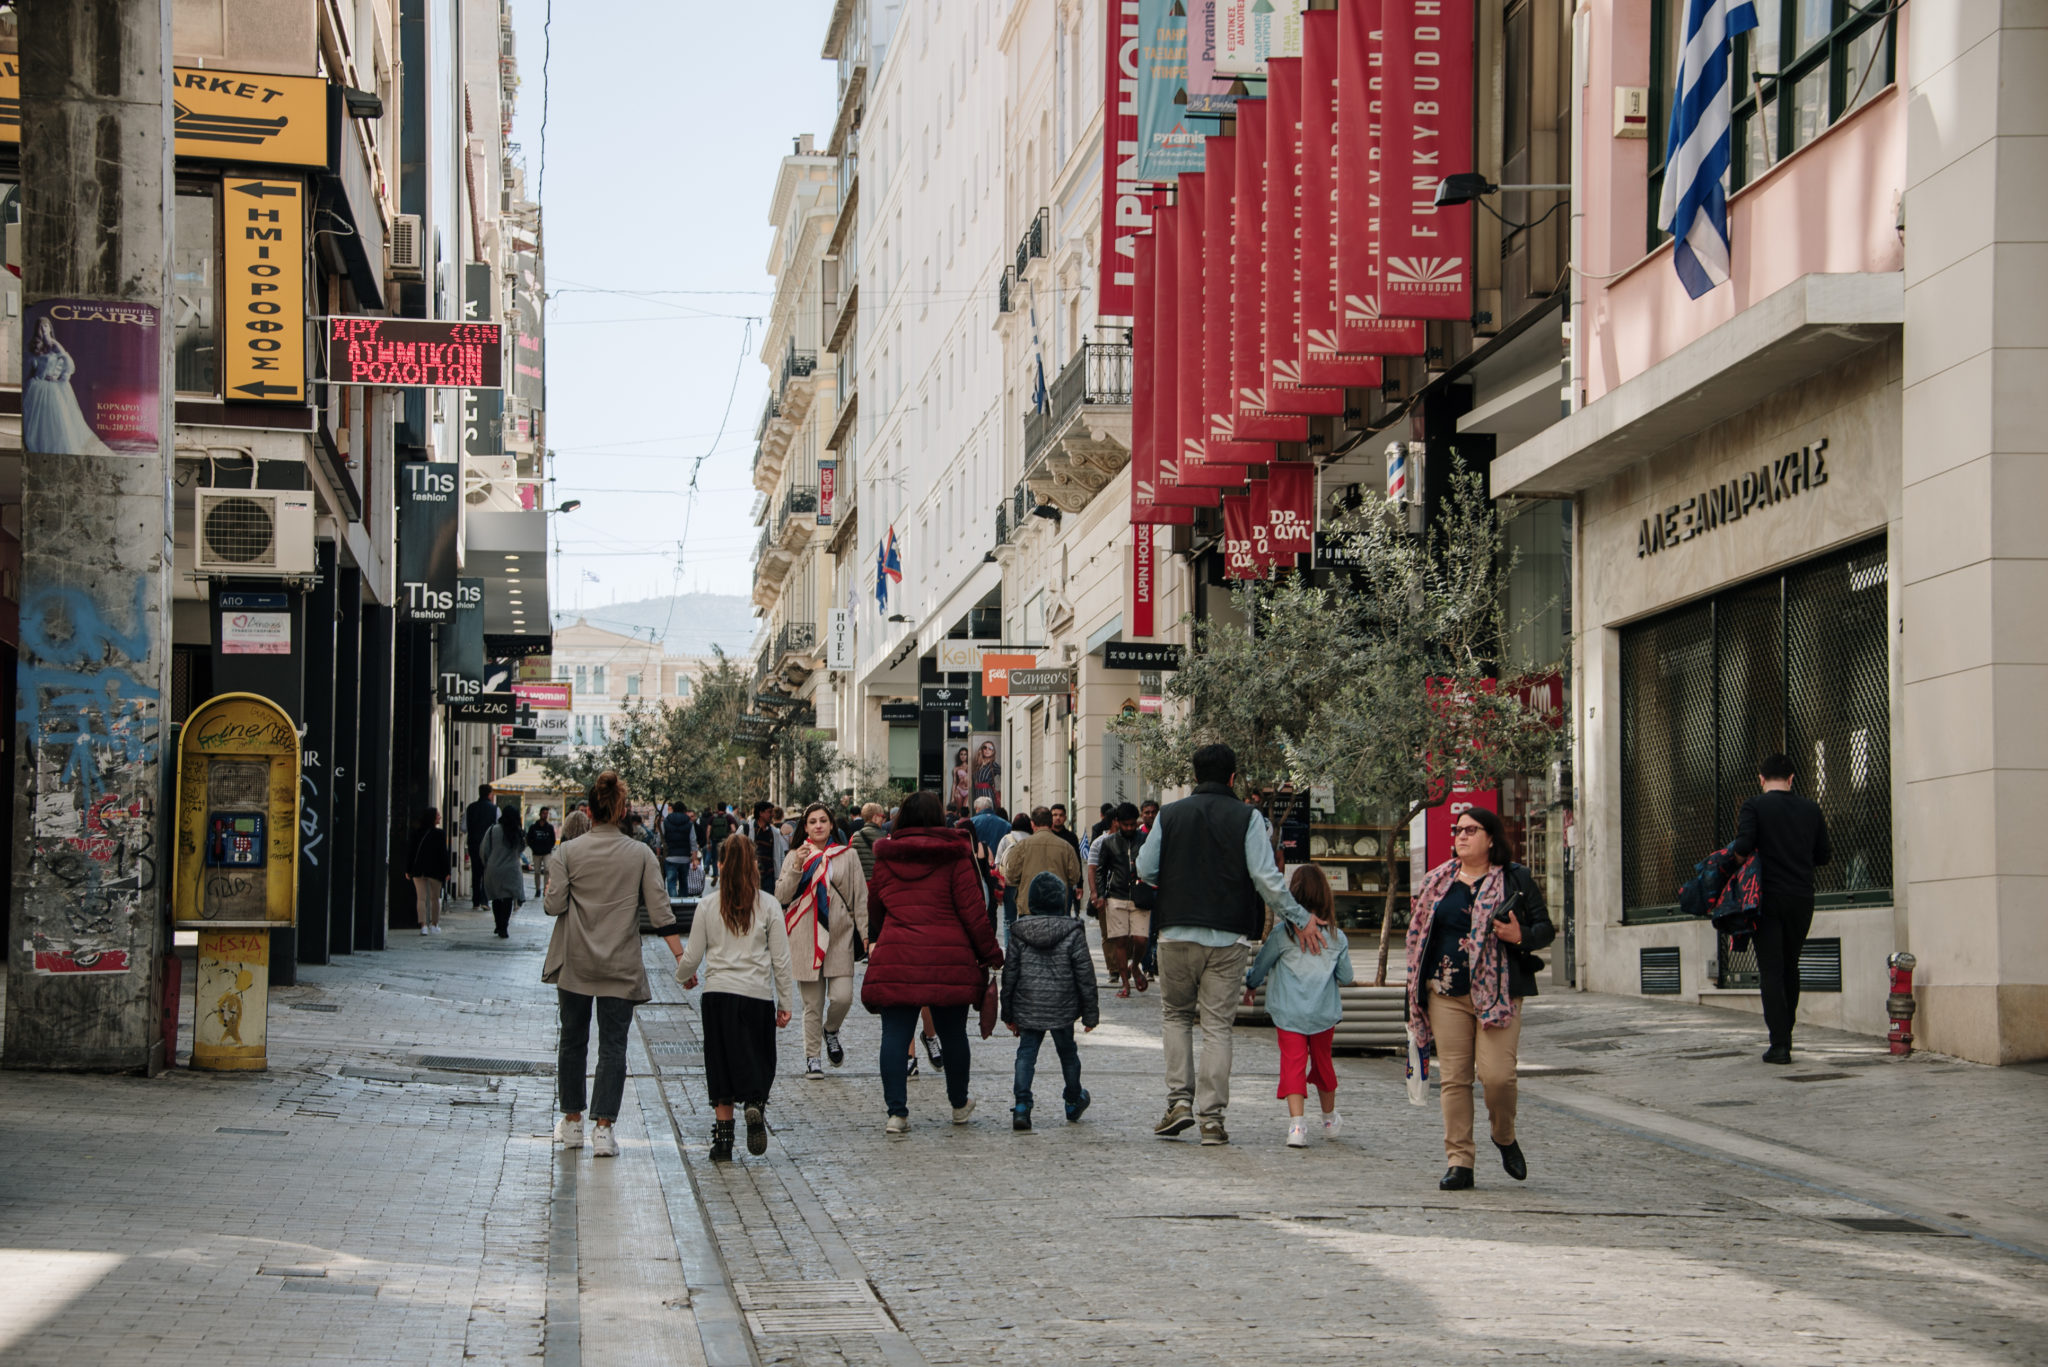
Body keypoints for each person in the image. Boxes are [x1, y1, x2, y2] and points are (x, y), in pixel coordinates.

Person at [1137, 744, 1321, 1146]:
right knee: (1218, 1026)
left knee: (1176, 1017)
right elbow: (1267, 879)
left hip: (1176, 932)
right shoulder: (1248, 817)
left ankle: (1178, 1103)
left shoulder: (1170, 815)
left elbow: (1145, 868)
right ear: (1233, 778)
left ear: (1194, 775)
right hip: (1228, 936)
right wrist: (1301, 918)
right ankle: (1212, 1121)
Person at [1406, 805, 1555, 1190]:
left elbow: (1545, 929)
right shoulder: (1438, 881)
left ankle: (1503, 1136)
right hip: (1446, 992)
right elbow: (1420, 937)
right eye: (1458, 829)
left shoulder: (1515, 879)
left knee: (1497, 1077)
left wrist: (1519, 936)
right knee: (1455, 1079)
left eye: (1471, 830)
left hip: (1498, 994)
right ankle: (1460, 1161)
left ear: (1491, 838)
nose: (1461, 835)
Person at [544, 771, 684, 1158]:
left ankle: (571, 1122)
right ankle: (603, 1129)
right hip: (620, 965)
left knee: (572, 1041)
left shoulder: (566, 853)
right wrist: (681, 959)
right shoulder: (639, 854)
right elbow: (661, 912)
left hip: (575, 963)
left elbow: (553, 906)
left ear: (588, 811)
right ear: (622, 810)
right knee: (613, 1046)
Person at [860, 790, 1003, 1135]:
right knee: (953, 1033)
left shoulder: (887, 858)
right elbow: (973, 913)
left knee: (894, 1034)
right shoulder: (954, 856)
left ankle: (897, 1113)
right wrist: (991, 954)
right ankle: (958, 1104)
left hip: (897, 954)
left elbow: (875, 909)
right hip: (947, 957)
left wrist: (883, 934)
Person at [676, 835, 798, 1161]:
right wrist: (786, 1003)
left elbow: (692, 955)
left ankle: (723, 1143)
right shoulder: (769, 904)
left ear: (721, 864)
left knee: (721, 1064)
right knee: (759, 1057)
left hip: (718, 995)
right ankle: (755, 1103)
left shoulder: (707, 905)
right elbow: (781, 961)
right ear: (754, 866)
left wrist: (683, 975)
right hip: (756, 996)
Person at [1727, 753, 1832, 1064]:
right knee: (1791, 965)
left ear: (1761, 779)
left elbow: (1743, 846)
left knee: (1771, 969)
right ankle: (1787, 1033)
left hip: (1766, 898)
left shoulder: (1754, 806)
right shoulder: (1811, 809)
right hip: (1801, 898)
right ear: (1791, 778)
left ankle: (1780, 1044)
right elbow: (1824, 855)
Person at [1245, 865, 1354, 1148]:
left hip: (1289, 1012)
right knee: (1323, 1064)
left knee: (1292, 1065)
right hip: (1323, 1014)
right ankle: (1329, 1120)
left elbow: (1261, 965)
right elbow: (1347, 977)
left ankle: (1297, 1127)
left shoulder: (1283, 934)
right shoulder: (1337, 938)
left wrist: (1251, 984)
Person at [774, 801, 868, 1079]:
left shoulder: (847, 856)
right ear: (805, 827)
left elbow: (859, 897)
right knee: (811, 1005)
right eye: (812, 821)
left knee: (842, 997)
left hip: (839, 938)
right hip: (805, 936)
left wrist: (866, 935)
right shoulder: (795, 856)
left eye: (823, 821)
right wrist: (798, 866)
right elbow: (781, 896)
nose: (818, 826)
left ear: (831, 825)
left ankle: (831, 1030)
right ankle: (812, 1057)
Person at [1002, 871, 1099, 1131]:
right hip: (1063, 1007)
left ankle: (1022, 1106)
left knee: (1026, 1055)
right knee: (1068, 1054)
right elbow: (1085, 975)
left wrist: (1007, 1012)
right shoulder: (1073, 932)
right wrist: (1090, 1015)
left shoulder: (1019, 932)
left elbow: (1009, 974)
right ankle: (1072, 1099)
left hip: (1028, 1004)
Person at [23, 315, 114, 455]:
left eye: (46, 326)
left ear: (50, 328)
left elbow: (69, 363)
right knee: (38, 422)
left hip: (51, 388)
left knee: (57, 421)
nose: (43, 329)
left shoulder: (54, 345)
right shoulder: (35, 345)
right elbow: (32, 367)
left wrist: (61, 377)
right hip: (36, 386)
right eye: (40, 327)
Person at [1001, 807, 1083, 945]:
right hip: (1057, 906)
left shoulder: (1021, 846)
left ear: (1032, 824)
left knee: (1028, 947)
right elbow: (1074, 877)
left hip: (1028, 908)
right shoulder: (1066, 846)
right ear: (1051, 823)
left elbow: (1011, 876)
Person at [1091, 803, 1148, 996]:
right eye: (1126, 825)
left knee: (1141, 940)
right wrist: (1099, 894)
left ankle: (1136, 965)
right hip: (1116, 896)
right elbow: (1101, 869)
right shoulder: (1109, 842)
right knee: (1120, 941)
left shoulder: (1145, 839)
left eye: (1133, 824)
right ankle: (1125, 983)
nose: (1130, 828)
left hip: (1140, 896)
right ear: (1118, 822)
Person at [479, 803, 527, 938]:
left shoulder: (492, 830)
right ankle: (504, 926)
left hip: (494, 869)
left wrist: (487, 863)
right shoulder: (518, 832)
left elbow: (484, 850)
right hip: (511, 870)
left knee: (496, 898)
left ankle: (498, 924)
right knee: (507, 899)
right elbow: (521, 850)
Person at [406, 807, 451, 935]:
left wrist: (408, 869)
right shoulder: (440, 834)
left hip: (418, 870)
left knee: (420, 899)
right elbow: (443, 853)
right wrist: (447, 871)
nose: (440, 817)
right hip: (435, 871)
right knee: (435, 898)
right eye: (437, 815)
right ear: (433, 818)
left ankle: (423, 926)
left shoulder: (416, 833)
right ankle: (434, 924)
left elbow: (411, 852)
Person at [464, 784, 500, 908]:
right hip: (489, 845)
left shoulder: (470, 808)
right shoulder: (495, 809)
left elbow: (463, 828)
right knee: (486, 872)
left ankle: (475, 901)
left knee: (476, 872)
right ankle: (484, 900)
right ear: (489, 794)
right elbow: (498, 826)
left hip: (473, 843)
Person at [662, 801, 697, 899]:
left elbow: (659, 839)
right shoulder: (689, 823)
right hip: (685, 858)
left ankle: (674, 902)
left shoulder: (666, 821)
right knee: (683, 881)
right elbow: (693, 842)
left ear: (673, 809)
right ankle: (683, 903)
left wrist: (658, 854)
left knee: (671, 881)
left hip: (670, 857)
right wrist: (694, 859)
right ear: (684, 810)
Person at [847, 802, 887, 884]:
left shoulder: (854, 837)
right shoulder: (885, 837)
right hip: (880, 881)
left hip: (861, 882)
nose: (883, 820)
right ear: (875, 818)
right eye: (882, 817)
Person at [526, 807, 558, 899]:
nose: (545, 815)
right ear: (540, 814)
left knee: (547, 870)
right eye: (544, 813)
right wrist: (533, 847)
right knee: (537, 872)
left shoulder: (549, 827)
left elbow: (553, 840)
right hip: (536, 853)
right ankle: (538, 889)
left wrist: (549, 848)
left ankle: (545, 889)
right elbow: (529, 839)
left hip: (546, 852)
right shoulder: (533, 827)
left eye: (546, 813)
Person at [971, 739, 1003, 810]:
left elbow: (1005, 774)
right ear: (982, 750)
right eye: (985, 748)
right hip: (978, 793)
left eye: (990, 748)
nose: (987, 750)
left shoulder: (993, 764)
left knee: (988, 812)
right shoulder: (978, 765)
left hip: (987, 794)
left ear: (993, 751)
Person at [950, 746, 973, 812]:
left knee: (966, 809)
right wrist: (952, 797)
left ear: (967, 755)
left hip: (968, 790)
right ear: (959, 756)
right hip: (959, 790)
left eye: (965, 754)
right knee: (959, 811)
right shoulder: (956, 768)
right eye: (961, 754)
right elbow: (954, 783)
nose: (963, 756)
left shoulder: (971, 767)